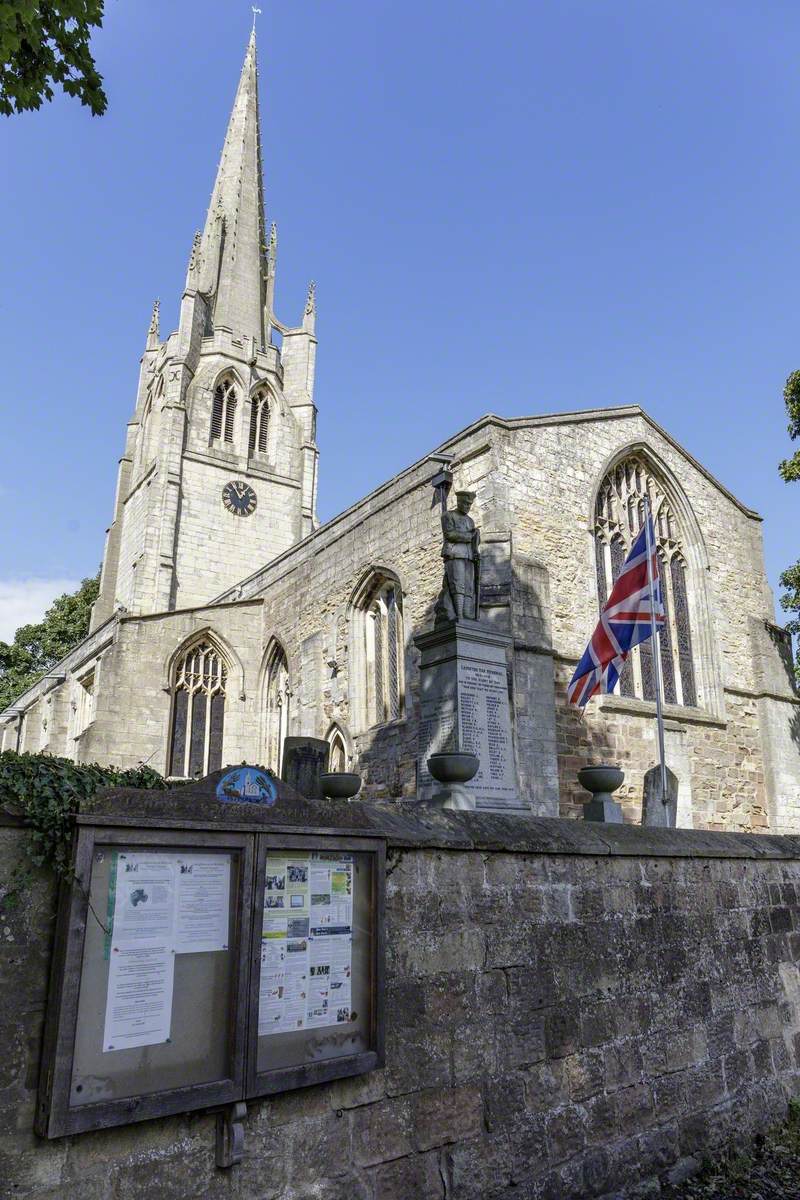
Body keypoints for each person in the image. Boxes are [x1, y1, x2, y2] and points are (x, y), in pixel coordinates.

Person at [436, 490, 481, 623]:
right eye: (465, 504)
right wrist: (470, 536)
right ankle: (459, 614)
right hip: (455, 554)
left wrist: (476, 542)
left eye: (469, 504)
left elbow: (474, 540)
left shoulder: (470, 521)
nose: (468, 507)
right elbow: (450, 534)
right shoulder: (448, 516)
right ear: (459, 502)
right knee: (458, 584)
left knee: (469, 586)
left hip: (469, 556)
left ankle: (467, 614)